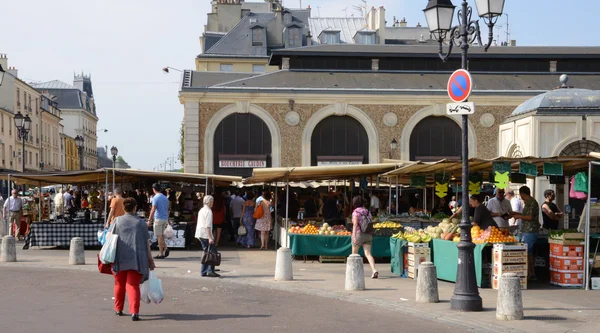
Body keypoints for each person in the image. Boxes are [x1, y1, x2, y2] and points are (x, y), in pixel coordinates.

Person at [111, 197, 155, 321]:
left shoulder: (117, 221)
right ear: (135, 208)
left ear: (124, 208)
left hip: (119, 257)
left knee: (119, 284)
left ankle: (118, 309)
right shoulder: (141, 223)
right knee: (133, 286)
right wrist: (150, 260)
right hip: (137, 258)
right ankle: (134, 312)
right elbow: (147, 243)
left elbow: (110, 237)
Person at [511, 186, 540, 281]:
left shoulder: (532, 203)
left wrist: (518, 216)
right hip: (526, 230)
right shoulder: (528, 203)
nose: (520, 196)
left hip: (530, 230)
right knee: (528, 253)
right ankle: (530, 273)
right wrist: (514, 213)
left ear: (523, 193)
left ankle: (530, 274)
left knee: (526, 252)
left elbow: (530, 217)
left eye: (520, 194)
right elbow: (525, 215)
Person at [351, 196, 378, 279]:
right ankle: (374, 270)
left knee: (354, 254)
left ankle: (353, 272)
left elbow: (355, 224)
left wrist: (354, 235)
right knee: (368, 254)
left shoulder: (356, 212)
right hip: (368, 234)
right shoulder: (367, 212)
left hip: (359, 234)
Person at [195, 195, 220, 277]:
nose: (213, 203)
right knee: (212, 253)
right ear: (209, 202)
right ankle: (210, 270)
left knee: (207, 252)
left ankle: (204, 271)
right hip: (206, 234)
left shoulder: (202, 210)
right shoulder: (208, 211)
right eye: (212, 201)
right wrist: (210, 237)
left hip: (200, 233)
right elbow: (207, 226)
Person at [147, 183, 170, 259]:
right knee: (161, 235)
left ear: (154, 189)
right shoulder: (165, 198)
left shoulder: (155, 198)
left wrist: (149, 219)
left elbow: (153, 209)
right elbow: (167, 209)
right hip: (164, 218)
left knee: (159, 236)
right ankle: (164, 250)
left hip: (158, 218)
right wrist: (168, 219)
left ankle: (162, 252)